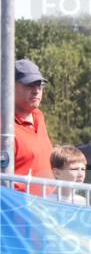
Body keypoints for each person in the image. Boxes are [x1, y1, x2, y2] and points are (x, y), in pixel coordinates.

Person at [12, 59, 54, 193]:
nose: (36, 91)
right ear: (10, 87)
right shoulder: (4, 126)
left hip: (47, 207)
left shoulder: (39, 116)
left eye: (39, 85)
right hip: (18, 210)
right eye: (29, 85)